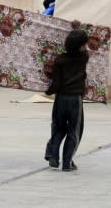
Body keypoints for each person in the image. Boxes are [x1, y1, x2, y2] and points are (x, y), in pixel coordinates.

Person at [44, 29, 89, 172]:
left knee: (58, 127)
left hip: (60, 99)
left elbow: (56, 82)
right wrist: (75, 26)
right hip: (75, 99)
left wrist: (48, 91)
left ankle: (53, 155)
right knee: (74, 131)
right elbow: (83, 49)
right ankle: (67, 162)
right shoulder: (84, 57)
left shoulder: (59, 60)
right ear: (81, 47)